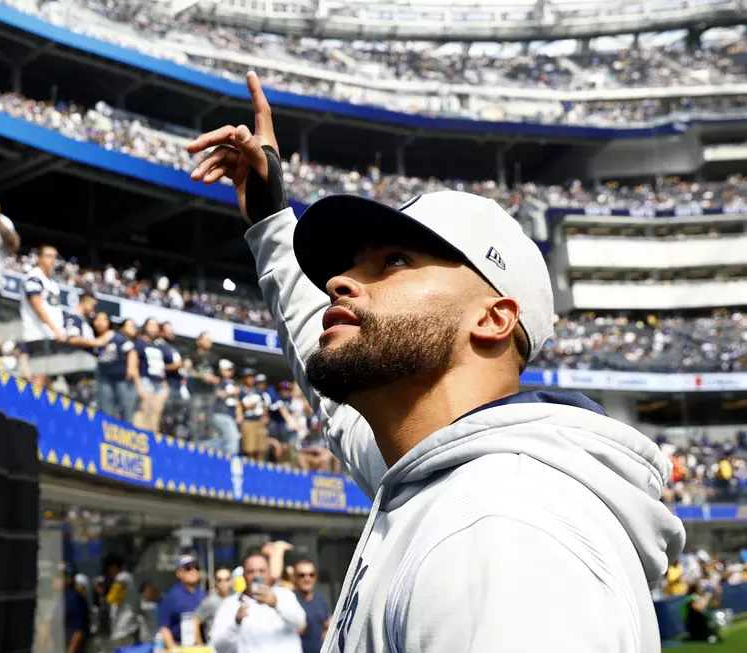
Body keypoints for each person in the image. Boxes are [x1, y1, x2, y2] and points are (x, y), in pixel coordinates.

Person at [187, 71, 685, 653]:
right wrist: (272, 223)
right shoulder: (440, 473)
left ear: (494, 318)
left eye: (395, 261)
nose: (339, 282)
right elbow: (332, 394)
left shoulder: (505, 531)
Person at [209, 550, 305, 653]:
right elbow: (218, 647)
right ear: (244, 575)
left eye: (261, 571)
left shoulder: (284, 595)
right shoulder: (230, 604)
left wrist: (276, 604)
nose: (257, 576)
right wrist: (236, 623)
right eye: (251, 571)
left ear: (269, 573)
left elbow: (300, 622)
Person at [20, 244, 65, 386]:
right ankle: (29, 408)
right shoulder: (34, 276)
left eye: (54, 257)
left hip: (49, 336)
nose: (52, 260)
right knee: (36, 381)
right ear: (39, 258)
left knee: (46, 381)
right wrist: (54, 329)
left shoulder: (52, 282)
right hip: (36, 334)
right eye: (48, 256)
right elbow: (37, 305)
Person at [157, 555, 205, 650]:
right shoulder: (172, 596)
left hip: (201, 646)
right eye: (188, 569)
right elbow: (164, 627)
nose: (193, 571)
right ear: (179, 573)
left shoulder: (201, 592)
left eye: (196, 568)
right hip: (181, 646)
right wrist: (173, 649)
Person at [133, 318, 168, 431]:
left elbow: (164, 366)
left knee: (156, 413)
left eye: (156, 326)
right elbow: (134, 364)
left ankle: (151, 440)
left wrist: (165, 385)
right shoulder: (139, 343)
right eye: (151, 325)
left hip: (159, 383)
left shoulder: (160, 346)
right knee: (143, 410)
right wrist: (138, 385)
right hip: (145, 380)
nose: (153, 328)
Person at [292, 561, 330, 653]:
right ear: (294, 578)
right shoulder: (289, 600)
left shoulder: (321, 600)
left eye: (311, 575)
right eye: (302, 575)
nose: (307, 579)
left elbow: (326, 626)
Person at [194, 566, 234, 644]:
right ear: (215, 582)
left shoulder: (238, 599)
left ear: (232, 581)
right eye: (219, 580)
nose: (223, 583)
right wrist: (200, 646)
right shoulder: (210, 601)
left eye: (227, 579)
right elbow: (195, 621)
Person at [238, 368, 269, 460]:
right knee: (249, 448)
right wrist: (246, 407)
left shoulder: (258, 391)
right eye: (248, 377)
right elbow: (239, 405)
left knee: (261, 448)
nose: (250, 380)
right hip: (248, 421)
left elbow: (264, 405)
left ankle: (259, 469)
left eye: (252, 377)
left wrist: (265, 416)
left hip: (259, 421)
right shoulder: (241, 391)